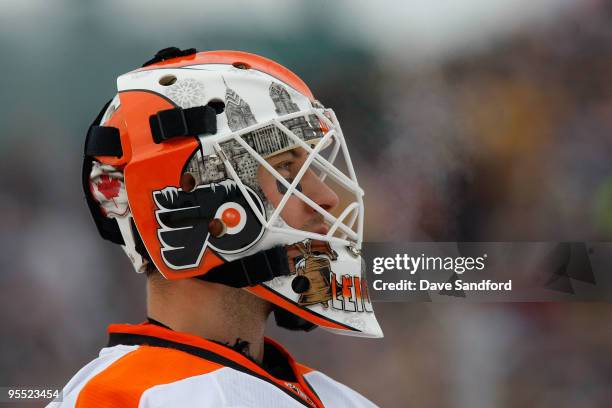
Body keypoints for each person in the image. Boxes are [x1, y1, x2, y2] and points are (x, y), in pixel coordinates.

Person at [50, 48, 382, 407]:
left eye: (311, 167)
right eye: (286, 169)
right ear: (194, 199)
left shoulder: (340, 400)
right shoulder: (118, 398)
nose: (327, 197)